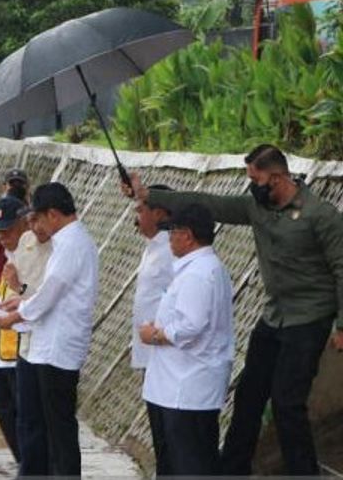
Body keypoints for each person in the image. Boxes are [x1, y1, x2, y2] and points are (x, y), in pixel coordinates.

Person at [127, 144, 343, 476]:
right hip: (274, 316)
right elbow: (209, 204)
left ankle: (303, 472)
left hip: (309, 318)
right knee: (248, 397)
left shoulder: (321, 215)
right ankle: (232, 470)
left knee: (287, 403)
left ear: (276, 177)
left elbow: (342, 267)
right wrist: (150, 194)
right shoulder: (257, 208)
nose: (251, 186)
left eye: (255, 179)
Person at [0, 182, 99, 477]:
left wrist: (16, 315)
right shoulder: (69, 242)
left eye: (37, 218)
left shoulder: (71, 244)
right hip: (50, 344)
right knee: (51, 426)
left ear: (52, 215)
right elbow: (46, 295)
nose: (34, 226)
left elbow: (50, 292)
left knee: (60, 429)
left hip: (59, 348)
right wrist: (20, 303)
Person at [139, 203, 234, 476]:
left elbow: (191, 326)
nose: (169, 239)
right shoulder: (199, 268)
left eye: (172, 233)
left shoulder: (200, 273)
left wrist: (155, 334)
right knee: (175, 463)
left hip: (187, 388)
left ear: (188, 235)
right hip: (175, 386)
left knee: (190, 464)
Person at [0, 195, 34, 462]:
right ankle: (23, 461)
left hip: (22, 351)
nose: (2, 236)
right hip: (2, 350)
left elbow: (39, 298)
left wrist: (18, 287)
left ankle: (30, 464)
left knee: (25, 415)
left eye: (7, 230)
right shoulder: (9, 255)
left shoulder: (33, 255)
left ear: (24, 224)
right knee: (1, 404)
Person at [131, 185, 176, 372]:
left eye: (141, 211)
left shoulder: (173, 250)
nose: (136, 219)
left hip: (164, 348)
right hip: (149, 347)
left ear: (158, 214)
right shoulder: (152, 247)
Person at [0, 169, 31, 292]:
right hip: (1, 287)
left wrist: (19, 289)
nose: (2, 237)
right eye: (12, 184)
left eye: (20, 184)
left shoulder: (32, 220)